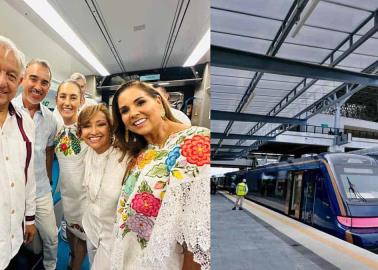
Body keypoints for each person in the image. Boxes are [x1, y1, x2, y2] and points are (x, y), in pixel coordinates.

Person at [110, 80, 210, 269]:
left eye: (140, 102)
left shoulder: (196, 141)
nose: (133, 113)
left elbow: (199, 236)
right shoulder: (142, 151)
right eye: (124, 110)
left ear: (158, 101)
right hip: (129, 258)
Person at [12, 59, 58, 270]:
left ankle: (49, 266)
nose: (38, 87)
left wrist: (48, 177)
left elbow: (49, 151)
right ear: (23, 79)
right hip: (13, 191)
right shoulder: (7, 110)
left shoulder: (50, 120)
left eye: (45, 82)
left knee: (50, 236)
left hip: (40, 190)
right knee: (11, 235)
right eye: (33, 79)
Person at [0, 36, 36, 269]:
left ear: (20, 81)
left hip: (13, 237)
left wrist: (29, 219)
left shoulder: (25, 122)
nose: (2, 81)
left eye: (11, 75)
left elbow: (28, 174)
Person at [77, 104, 125, 269]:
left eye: (101, 124)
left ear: (111, 127)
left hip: (113, 237)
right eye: (86, 126)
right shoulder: (88, 152)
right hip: (91, 228)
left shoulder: (125, 158)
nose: (93, 131)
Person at [54, 80, 88, 270]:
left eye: (73, 97)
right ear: (57, 99)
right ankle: (73, 255)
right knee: (71, 229)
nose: (67, 102)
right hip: (67, 193)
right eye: (63, 96)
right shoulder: (56, 129)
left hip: (85, 195)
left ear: (81, 100)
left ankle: (75, 265)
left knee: (83, 234)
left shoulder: (87, 129)